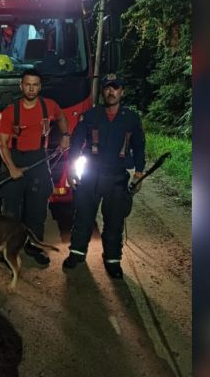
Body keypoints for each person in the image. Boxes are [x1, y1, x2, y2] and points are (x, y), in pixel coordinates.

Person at [63, 74, 145, 279]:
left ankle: (112, 260)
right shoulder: (90, 116)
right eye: (107, 88)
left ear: (122, 92)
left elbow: (139, 147)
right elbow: (76, 145)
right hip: (91, 175)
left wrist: (139, 174)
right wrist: (72, 170)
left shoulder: (131, 118)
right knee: (83, 217)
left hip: (117, 178)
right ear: (102, 91)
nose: (111, 92)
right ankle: (77, 254)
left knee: (115, 222)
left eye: (115, 88)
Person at [0, 69, 70, 266]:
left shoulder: (50, 106)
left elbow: (62, 118)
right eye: (27, 84)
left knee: (37, 211)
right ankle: (7, 249)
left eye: (35, 84)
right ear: (21, 86)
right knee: (11, 212)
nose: (31, 88)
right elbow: (2, 144)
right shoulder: (11, 111)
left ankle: (34, 246)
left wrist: (66, 135)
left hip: (39, 159)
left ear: (40, 86)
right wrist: (11, 168)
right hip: (16, 159)